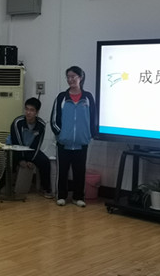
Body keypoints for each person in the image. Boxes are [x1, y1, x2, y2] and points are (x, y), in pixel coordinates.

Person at [50, 66, 97, 208]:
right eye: (68, 77)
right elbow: (54, 120)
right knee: (62, 171)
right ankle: (61, 196)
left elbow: (93, 118)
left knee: (80, 171)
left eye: (73, 77)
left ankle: (78, 197)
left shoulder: (88, 97)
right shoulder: (61, 97)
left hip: (82, 142)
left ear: (80, 78)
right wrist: (60, 134)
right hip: (63, 142)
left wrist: (90, 134)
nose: (70, 79)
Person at [8, 97, 53, 199]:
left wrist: (31, 160)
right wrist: (22, 160)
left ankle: (46, 188)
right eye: (27, 109)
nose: (28, 112)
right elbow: (16, 142)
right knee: (11, 160)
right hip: (16, 149)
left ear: (37, 112)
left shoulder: (41, 125)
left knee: (45, 161)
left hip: (32, 151)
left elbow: (37, 144)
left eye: (32, 110)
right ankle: (1, 186)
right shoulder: (17, 122)